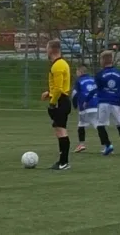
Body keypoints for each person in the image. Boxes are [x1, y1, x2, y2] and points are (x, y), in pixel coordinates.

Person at [85, 50, 120, 155]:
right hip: (116, 102)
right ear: (111, 60)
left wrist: (87, 100)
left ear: (103, 61)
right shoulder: (119, 73)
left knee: (101, 125)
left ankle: (108, 145)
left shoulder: (100, 74)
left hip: (104, 102)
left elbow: (94, 89)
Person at [41, 40, 72, 170]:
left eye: (47, 48)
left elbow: (59, 89)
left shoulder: (58, 65)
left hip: (60, 101)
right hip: (62, 99)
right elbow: (58, 87)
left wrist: (52, 103)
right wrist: (49, 93)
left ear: (51, 50)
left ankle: (63, 162)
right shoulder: (61, 63)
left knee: (61, 131)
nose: (46, 51)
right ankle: (62, 161)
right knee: (59, 130)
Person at [72, 64, 112, 155]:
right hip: (96, 103)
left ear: (80, 72)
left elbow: (74, 94)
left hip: (85, 105)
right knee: (82, 124)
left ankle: (107, 145)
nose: (76, 73)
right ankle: (81, 144)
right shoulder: (93, 79)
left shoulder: (79, 81)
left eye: (77, 72)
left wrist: (74, 105)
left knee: (96, 124)